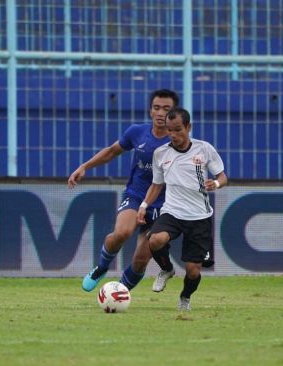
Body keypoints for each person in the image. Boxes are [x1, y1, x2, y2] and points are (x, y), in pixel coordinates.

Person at [68, 89, 178, 292]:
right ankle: (101, 267)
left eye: (166, 108)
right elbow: (111, 151)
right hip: (136, 195)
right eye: (156, 108)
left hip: (163, 205)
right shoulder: (137, 132)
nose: (161, 113)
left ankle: (119, 292)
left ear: (175, 113)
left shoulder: (178, 143)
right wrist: (85, 166)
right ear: (150, 110)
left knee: (140, 260)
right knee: (122, 233)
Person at [137, 107, 227, 311]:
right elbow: (156, 184)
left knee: (193, 270)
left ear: (188, 127)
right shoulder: (160, 154)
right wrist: (144, 205)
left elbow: (223, 176)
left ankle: (185, 297)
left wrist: (217, 184)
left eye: (178, 129)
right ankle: (166, 269)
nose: (173, 135)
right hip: (172, 212)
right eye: (169, 130)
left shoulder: (204, 149)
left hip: (199, 216)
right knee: (155, 239)